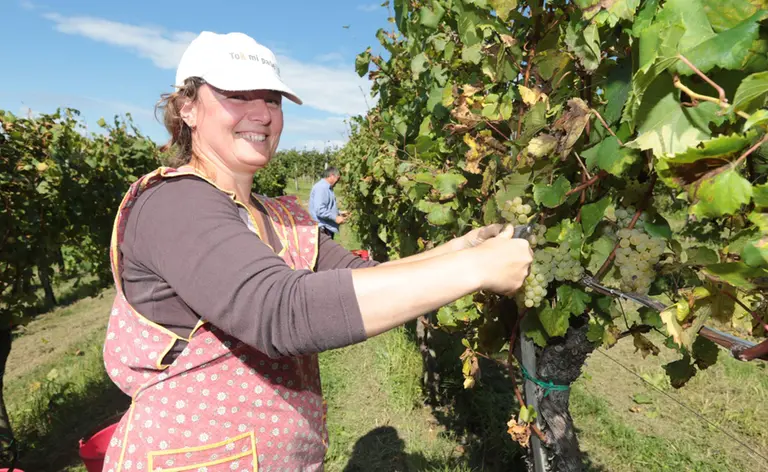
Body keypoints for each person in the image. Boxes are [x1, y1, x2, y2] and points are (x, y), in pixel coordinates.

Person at [101, 30, 532, 472]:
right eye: (236, 94)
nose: (261, 113)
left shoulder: (278, 217)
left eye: (272, 99)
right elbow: (281, 312)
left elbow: (359, 277)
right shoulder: (176, 204)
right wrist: (475, 268)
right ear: (187, 107)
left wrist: (461, 247)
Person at [308, 166, 345, 239]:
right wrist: (335, 217)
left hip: (325, 229)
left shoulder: (327, 188)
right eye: (338, 178)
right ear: (331, 176)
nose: (338, 181)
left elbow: (327, 207)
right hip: (322, 230)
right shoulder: (321, 188)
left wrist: (339, 213)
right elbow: (320, 210)